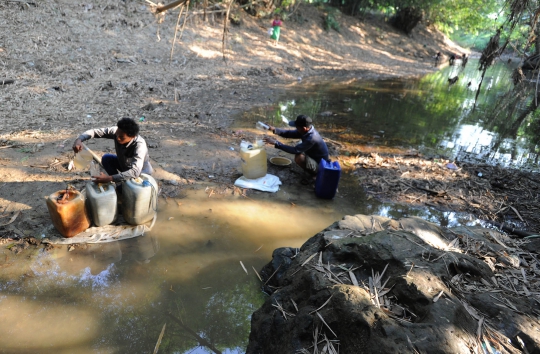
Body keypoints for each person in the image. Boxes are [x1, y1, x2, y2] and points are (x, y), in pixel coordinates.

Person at [72, 117, 153, 184]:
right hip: (125, 166)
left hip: (140, 175)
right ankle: (118, 182)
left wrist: (109, 178)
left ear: (132, 137)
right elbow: (94, 132)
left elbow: (135, 172)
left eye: (122, 137)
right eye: (117, 134)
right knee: (107, 159)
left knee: (128, 191)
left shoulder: (140, 146)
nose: (117, 138)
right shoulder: (116, 132)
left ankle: (120, 183)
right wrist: (79, 140)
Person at [263, 115, 330, 177]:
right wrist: (274, 129)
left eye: (297, 128)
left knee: (299, 157)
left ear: (304, 128)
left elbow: (295, 150)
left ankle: (314, 174)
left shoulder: (312, 138)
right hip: (313, 155)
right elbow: (288, 133)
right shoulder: (307, 130)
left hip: (320, 165)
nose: (296, 129)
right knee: (300, 144)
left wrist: (276, 143)